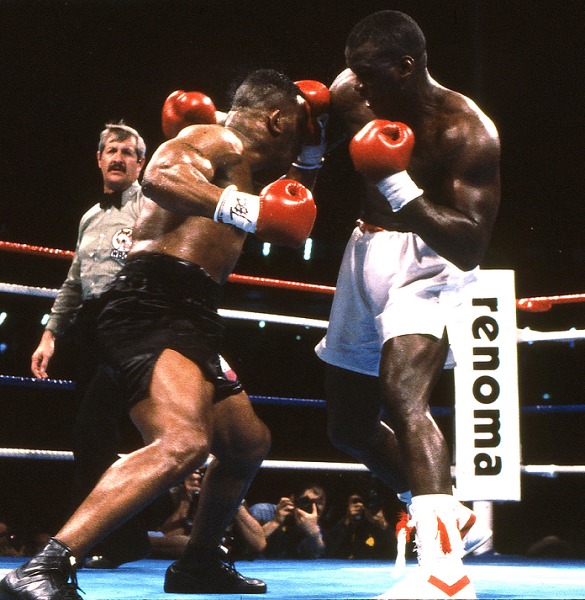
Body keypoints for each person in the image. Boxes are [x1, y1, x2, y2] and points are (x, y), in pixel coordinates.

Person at [0, 68, 324, 599]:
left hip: (192, 310)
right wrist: (239, 206)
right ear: (276, 120)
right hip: (151, 303)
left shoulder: (244, 166)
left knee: (246, 443)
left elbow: (290, 217)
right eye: (299, 130)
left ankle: (199, 562)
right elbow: (160, 176)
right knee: (183, 442)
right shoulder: (215, 137)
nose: (301, 141)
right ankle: (44, 566)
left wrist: (311, 159)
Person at [314, 10, 500, 599]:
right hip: (363, 253)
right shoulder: (352, 92)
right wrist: (304, 155)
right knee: (348, 426)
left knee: (403, 395)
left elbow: (469, 244)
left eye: (369, 74)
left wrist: (397, 183)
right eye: (353, 72)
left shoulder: (466, 131)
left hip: (432, 264)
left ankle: (445, 574)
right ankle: (451, 514)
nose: (357, 86)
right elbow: (305, 138)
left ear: (406, 66)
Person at [30, 121, 152, 569]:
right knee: (93, 437)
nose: (118, 158)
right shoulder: (89, 217)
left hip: (133, 322)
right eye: (111, 151)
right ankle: (123, 538)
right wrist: (50, 335)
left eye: (127, 152)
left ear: (141, 162)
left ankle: (97, 540)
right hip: (91, 330)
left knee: (96, 429)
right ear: (99, 159)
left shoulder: (150, 206)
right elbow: (73, 283)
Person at [149, 462, 266, 560]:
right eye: (196, 471)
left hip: (219, 555)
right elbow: (167, 540)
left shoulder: (231, 494)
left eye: (204, 471)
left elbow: (259, 544)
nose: (200, 477)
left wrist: (230, 498)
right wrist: (186, 499)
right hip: (177, 557)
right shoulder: (174, 495)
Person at [249, 484, 328, 559]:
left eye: (316, 508)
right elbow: (248, 545)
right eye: (306, 502)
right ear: (292, 499)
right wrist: (276, 521)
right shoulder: (262, 511)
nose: (310, 509)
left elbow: (314, 555)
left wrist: (314, 534)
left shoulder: (311, 525)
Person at [324, 492, 393, 559]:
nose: (360, 505)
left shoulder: (377, 523)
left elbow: (392, 553)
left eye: (363, 502)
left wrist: (383, 525)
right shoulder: (335, 520)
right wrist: (346, 520)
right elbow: (327, 550)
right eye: (355, 502)